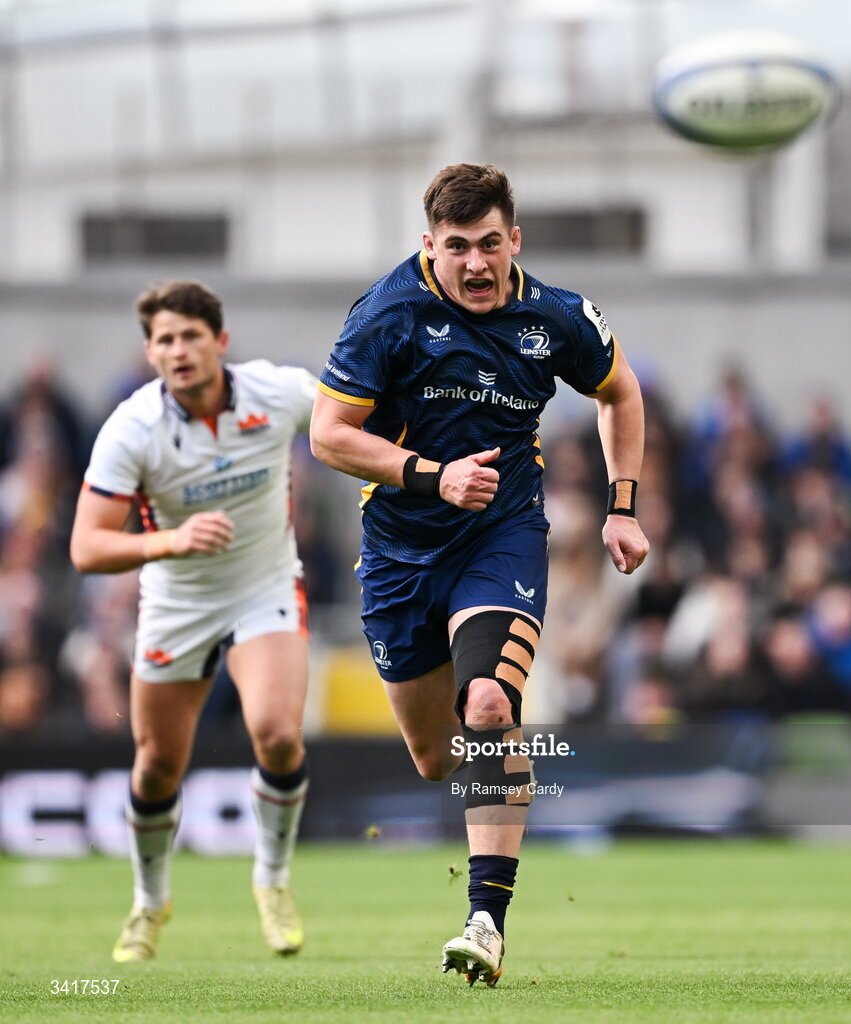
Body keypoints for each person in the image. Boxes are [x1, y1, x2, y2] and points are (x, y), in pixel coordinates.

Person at [309, 163, 649, 985]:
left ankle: (485, 922)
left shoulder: (558, 317)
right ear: (430, 246)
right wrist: (432, 475)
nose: (474, 263)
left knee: (491, 705)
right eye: (456, 246)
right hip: (397, 554)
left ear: (514, 242)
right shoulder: (386, 314)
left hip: (501, 534)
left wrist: (623, 504)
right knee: (435, 755)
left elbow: (621, 392)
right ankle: (484, 822)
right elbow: (327, 434)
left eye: (489, 244)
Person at [69, 281, 318, 962]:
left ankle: (271, 881)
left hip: (264, 584)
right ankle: (150, 903)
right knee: (155, 769)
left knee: (275, 734)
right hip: (175, 601)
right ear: (150, 353)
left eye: (189, 336)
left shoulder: (280, 392)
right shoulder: (132, 428)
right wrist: (168, 541)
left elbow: (353, 425)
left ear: (221, 342)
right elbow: (86, 547)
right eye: (164, 340)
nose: (177, 350)